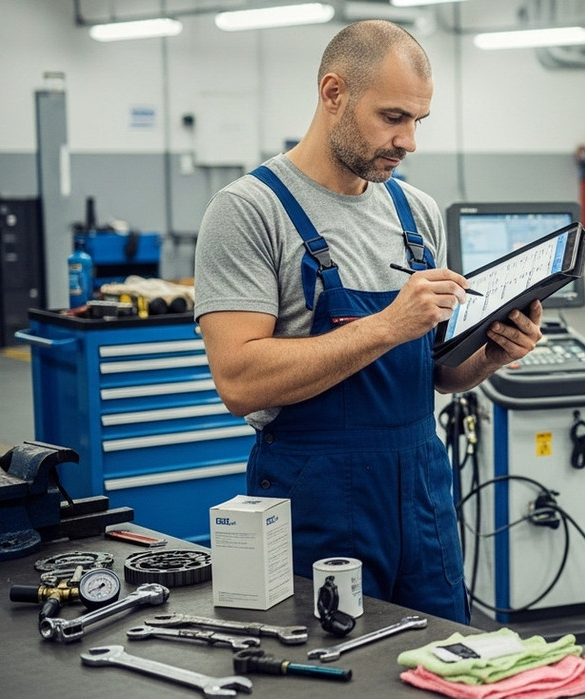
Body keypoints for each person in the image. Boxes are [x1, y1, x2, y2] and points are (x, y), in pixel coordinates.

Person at [193, 20, 542, 623]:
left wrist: (487, 357)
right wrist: (386, 324)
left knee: (439, 661)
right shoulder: (249, 211)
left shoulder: (416, 212)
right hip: (315, 497)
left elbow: (432, 374)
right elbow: (239, 380)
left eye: (418, 122)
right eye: (392, 117)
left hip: (422, 491)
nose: (408, 141)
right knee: (325, 670)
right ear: (334, 93)